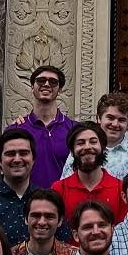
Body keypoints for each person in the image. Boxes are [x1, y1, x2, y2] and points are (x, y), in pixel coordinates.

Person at [62, 92, 128, 183]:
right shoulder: (82, 151)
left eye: (121, 120)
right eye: (110, 118)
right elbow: (66, 187)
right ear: (99, 118)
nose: (115, 124)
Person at [15, 64, 76, 192]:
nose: (47, 84)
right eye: (41, 80)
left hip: (63, 204)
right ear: (32, 86)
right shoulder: (16, 129)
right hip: (27, 205)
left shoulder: (75, 130)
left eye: (53, 82)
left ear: (60, 90)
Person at [53, 123, 128, 225]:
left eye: (93, 142)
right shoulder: (59, 189)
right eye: (80, 143)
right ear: (71, 151)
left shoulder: (120, 189)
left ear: (103, 148)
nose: (87, 147)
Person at [13, 190, 76, 255]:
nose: (42, 222)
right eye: (36, 215)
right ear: (25, 219)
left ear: (60, 221)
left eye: (49, 216)